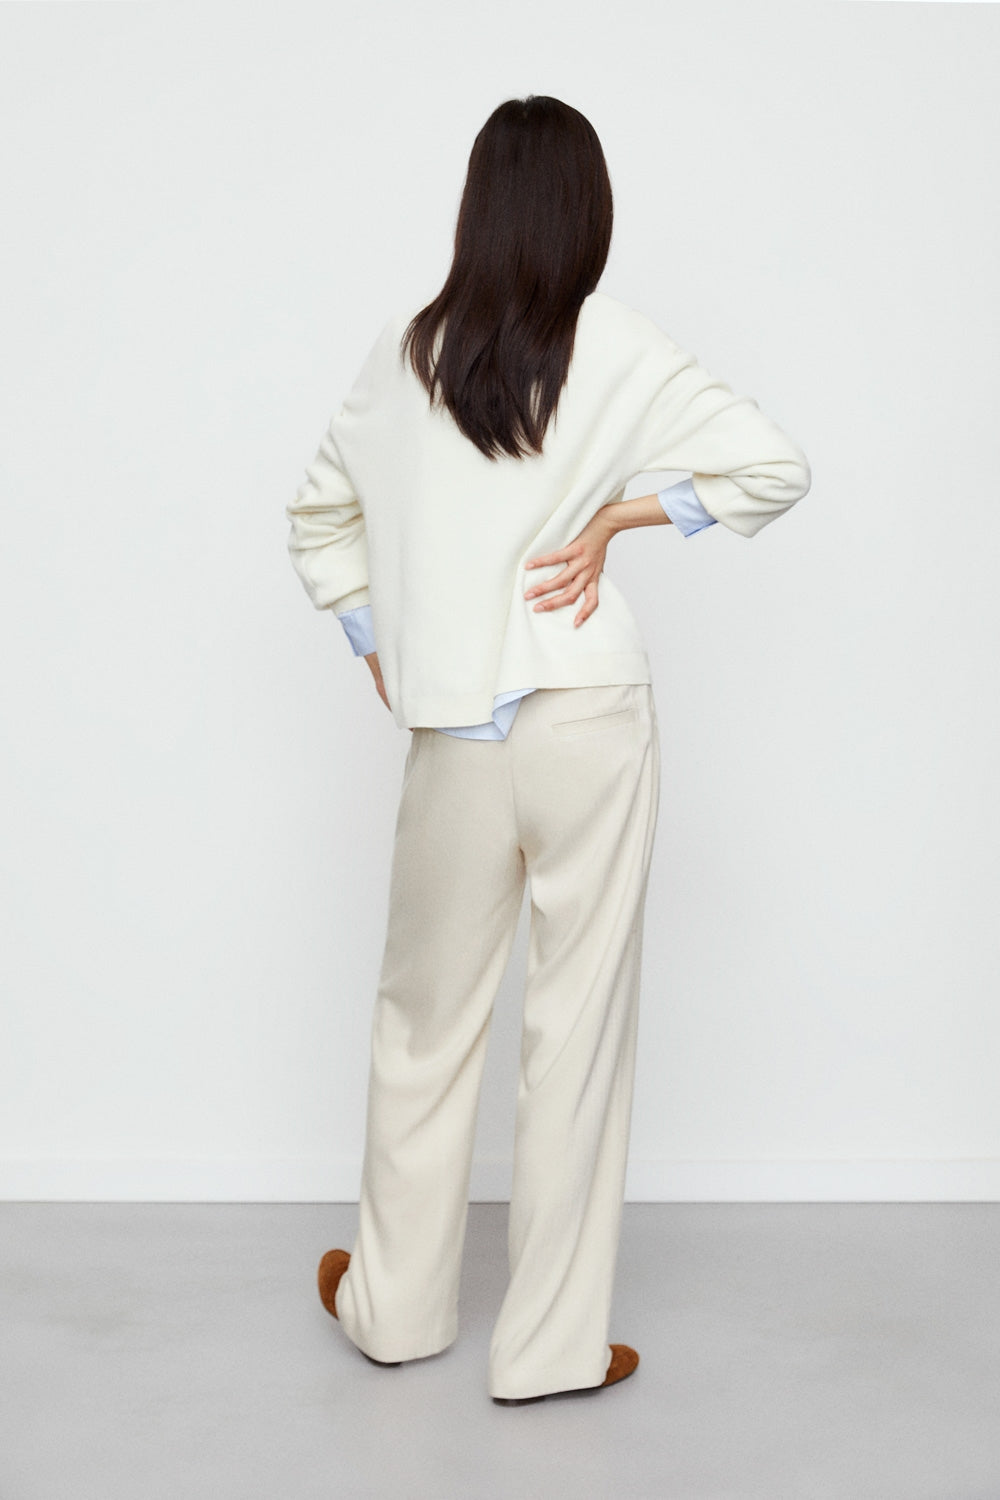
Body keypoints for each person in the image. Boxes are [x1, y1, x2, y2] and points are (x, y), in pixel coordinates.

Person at [285, 94, 811, 1406]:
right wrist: (624, 516)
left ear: (477, 207)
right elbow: (774, 466)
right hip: (590, 715)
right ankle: (551, 1353)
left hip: (456, 729)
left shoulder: (407, 353)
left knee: (424, 1023)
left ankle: (393, 1308)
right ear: (588, 213)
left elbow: (315, 516)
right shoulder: (614, 341)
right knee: (578, 1035)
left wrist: (377, 637)